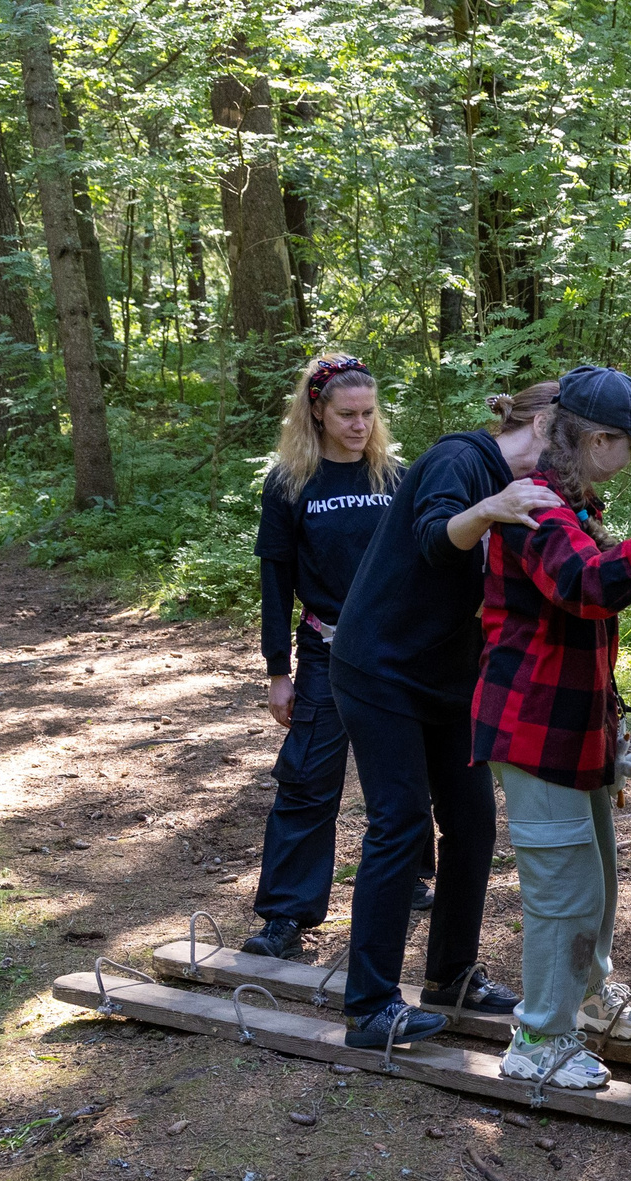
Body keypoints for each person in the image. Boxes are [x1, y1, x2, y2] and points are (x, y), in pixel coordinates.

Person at [474, 364, 631, 1089]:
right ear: (596, 440)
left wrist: (609, 723)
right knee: (564, 888)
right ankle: (539, 1036)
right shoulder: (535, 508)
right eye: (630, 446)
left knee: (601, 877)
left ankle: (585, 998)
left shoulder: (573, 500)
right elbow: (591, 589)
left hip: (575, 726)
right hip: (533, 729)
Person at [327, 386, 563, 1050]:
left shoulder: (524, 486)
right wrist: (490, 509)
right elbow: (436, 538)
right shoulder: (461, 462)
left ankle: (451, 975)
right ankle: (369, 1006)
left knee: (472, 820)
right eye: (571, 442)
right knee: (399, 822)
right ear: (544, 426)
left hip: (445, 677)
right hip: (378, 666)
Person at [244, 353, 407, 963]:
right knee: (308, 779)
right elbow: (275, 581)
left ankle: (410, 877)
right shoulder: (291, 484)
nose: (360, 424)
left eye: (368, 413)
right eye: (347, 414)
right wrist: (276, 670)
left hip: (396, 651)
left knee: (402, 771)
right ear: (316, 410)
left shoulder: (394, 477)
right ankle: (287, 913)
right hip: (325, 650)